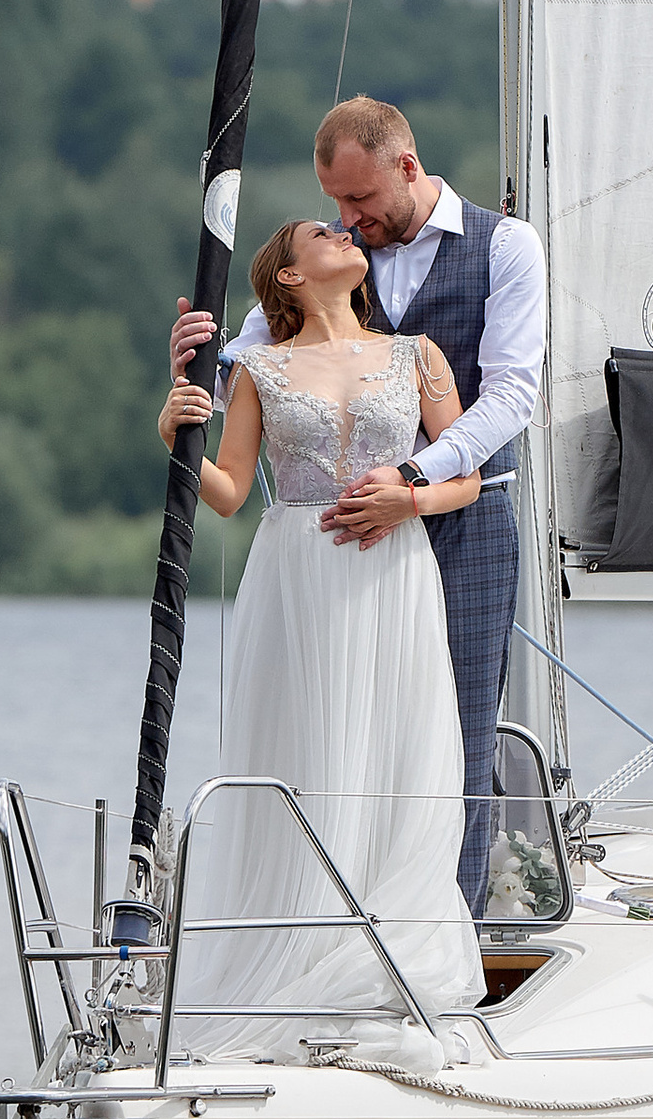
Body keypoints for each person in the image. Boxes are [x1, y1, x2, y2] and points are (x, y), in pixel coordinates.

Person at [170, 96, 545, 912]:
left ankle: (450, 941)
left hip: (466, 519)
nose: (347, 219)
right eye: (334, 205)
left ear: (407, 167)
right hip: (333, 543)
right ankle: (325, 925)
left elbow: (514, 393)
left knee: (458, 738)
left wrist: (413, 483)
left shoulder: (507, 247)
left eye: (359, 201)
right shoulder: (335, 269)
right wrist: (192, 369)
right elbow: (251, 369)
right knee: (333, 734)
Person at [158, 214, 483, 1026]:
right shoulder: (261, 368)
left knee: (397, 741)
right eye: (321, 232)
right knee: (304, 744)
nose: (344, 233)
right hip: (297, 568)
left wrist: (412, 498)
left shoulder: (418, 355)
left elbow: (468, 478)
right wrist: (173, 442)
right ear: (291, 276)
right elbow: (230, 493)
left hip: (394, 564)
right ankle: (298, 943)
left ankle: (388, 946)